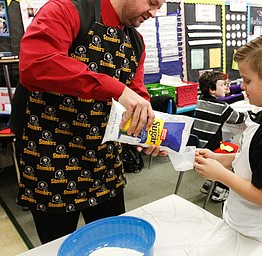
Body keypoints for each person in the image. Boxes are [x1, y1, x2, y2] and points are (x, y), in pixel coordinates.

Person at [10, 0, 165, 244]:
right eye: (152, 2)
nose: (154, 13)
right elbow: (35, 64)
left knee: (113, 242)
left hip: (104, 162)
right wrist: (115, 88)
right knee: (59, 245)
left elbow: (136, 92)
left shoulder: (135, 42)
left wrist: (146, 130)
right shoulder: (67, 10)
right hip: (51, 159)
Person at [194, 32, 262, 256]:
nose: (242, 87)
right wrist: (218, 159)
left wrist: (221, 175)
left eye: (247, 80)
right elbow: (251, 158)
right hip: (245, 217)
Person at [191, 70, 247, 202]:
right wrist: (253, 112)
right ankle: (221, 189)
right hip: (211, 150)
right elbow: (239, 118)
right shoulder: (221, 107)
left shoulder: (200, 101)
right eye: (222, 85)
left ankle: (209, 183)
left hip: (197, 148)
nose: (226, 87)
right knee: (238, 154)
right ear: (212, 89)